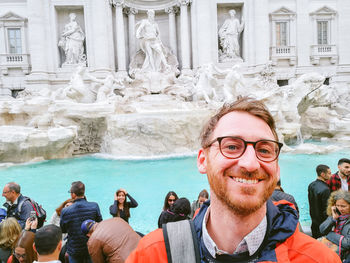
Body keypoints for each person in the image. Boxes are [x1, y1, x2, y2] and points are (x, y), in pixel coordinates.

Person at [126, 97, 341, 262]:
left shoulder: (319, 259)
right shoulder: (151, 254)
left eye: (264, 150)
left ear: (276, 166)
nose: (250, 163)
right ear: (203, 160)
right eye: (231, 146)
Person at [60, 181, 102, 263]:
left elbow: (63, 230)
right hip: (91, 247)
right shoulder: (94, 206)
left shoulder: (65, 211)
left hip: (74, 249)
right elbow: (99, 225)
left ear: (73, 194)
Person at [320, 190, 350, 262]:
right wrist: (333, 219)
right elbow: (322, 230)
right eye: (337, 205)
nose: (339, 209)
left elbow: (347, 243)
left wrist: (330, 234)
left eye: (343, 206)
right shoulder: (335, 215)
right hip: (334, 252)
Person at [308, 164, 332, 238]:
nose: (331, 175)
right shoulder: (326, 189)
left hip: (314, 222)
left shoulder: (311, 185)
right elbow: (326, 210)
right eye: (329, 173)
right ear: (322, 174)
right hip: (322, 224)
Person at [49, 199, 74, 263]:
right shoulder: (57, 214)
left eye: (71, 207)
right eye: (67, 205)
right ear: (63, 206)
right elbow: (50, 226)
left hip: (65, 243)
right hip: (55, 239)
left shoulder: (74, 218)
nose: (68, 208)